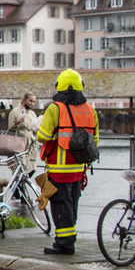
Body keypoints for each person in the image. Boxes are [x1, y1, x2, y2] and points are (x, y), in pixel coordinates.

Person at [36, 68, 99, 256]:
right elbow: (94, 141)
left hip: (58, 169)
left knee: (60, 206)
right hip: (79, 169)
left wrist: (41, 128)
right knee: (72, 204)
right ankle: (68, 240)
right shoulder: (90, 110)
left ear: (59, 86)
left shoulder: (55, 108)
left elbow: (42, 136)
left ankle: (64, 244)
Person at [6, 92, 42, 173]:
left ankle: (22, 185)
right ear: (24, 100)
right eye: (30, 101)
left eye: (33, 102)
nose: (32, 103)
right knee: (20, 171)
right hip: (19, 145)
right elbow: (10, 129)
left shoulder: (32, 114)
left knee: (32, 169)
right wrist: (18, 122)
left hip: (31, 146)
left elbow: (34, 130)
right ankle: (18, 185)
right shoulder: (15, 112)